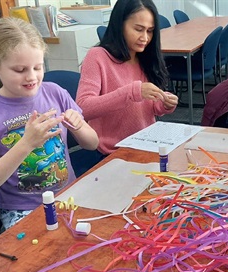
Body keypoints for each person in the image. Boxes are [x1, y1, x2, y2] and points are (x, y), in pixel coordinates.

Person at [0, 18, 99, 229]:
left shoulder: (55, 92)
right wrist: (26, 144)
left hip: (69, 196)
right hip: (22, 210)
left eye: (38, 67)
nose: (31, 77)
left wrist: (79, 126)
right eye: (20, 70)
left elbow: (93, 143)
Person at [76, 0, 178, 158]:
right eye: (138, 29)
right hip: (112, 151)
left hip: (146, 144)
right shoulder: (97, 56)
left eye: (150, 31)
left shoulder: (144, 57)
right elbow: (83, 109)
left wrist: (162, 104)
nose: (145, 37)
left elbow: (145, 108)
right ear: (119, 24)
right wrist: (131, 92)